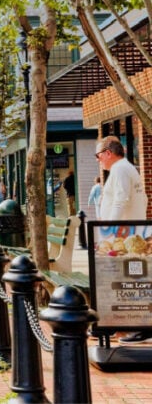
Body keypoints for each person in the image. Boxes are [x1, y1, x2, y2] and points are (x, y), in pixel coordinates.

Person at [95, 136, 150, 343]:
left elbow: (120, 200)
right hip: (131, 234)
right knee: (126, 281)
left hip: (125, 236)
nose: (98, 160)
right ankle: (119, 325)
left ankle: (141, 328)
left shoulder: (119, 169)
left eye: (98, 155)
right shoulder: (127, 168)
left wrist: (110, 230)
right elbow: (143, 199)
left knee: (132, 281)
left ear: (108, 153)